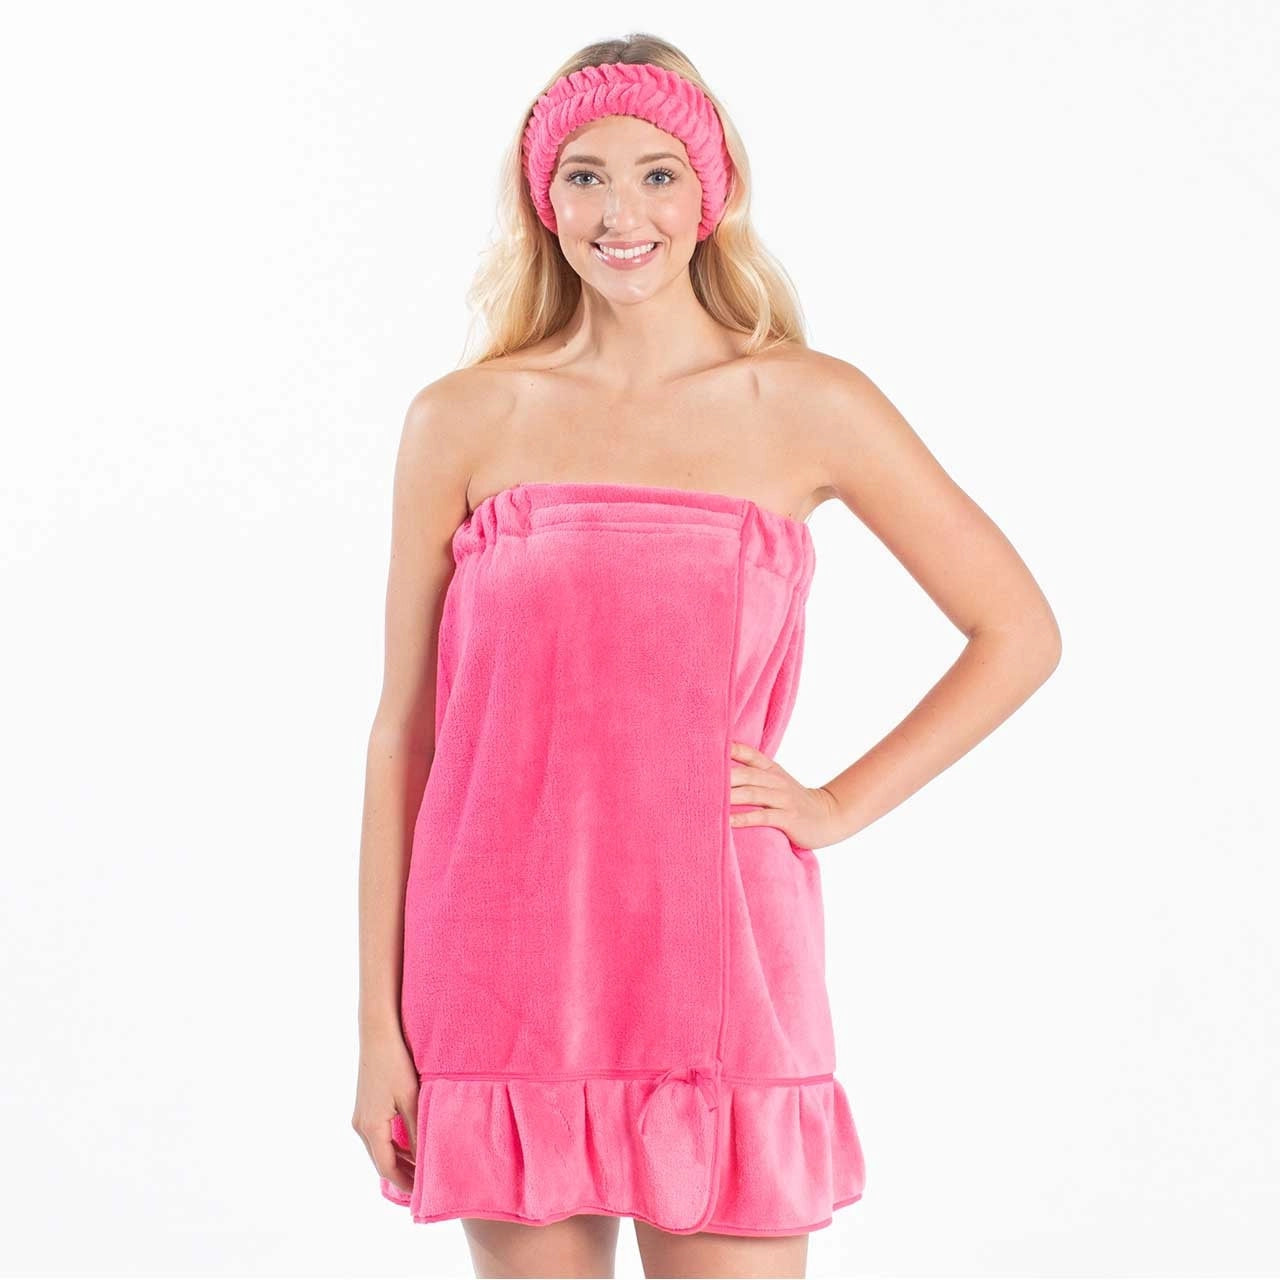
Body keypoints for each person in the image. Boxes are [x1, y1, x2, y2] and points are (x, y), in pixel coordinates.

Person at [352, 33, 1062, 1280]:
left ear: (710, 191)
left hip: (721, 954)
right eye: (583, 174)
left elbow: (1016, 630)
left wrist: (835, 803)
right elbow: (405, 731)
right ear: (541, 197)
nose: (618, 212)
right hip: (502, 966)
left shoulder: (805, 403)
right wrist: (378, 1031)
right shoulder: (463, 418)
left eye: (656, 174)